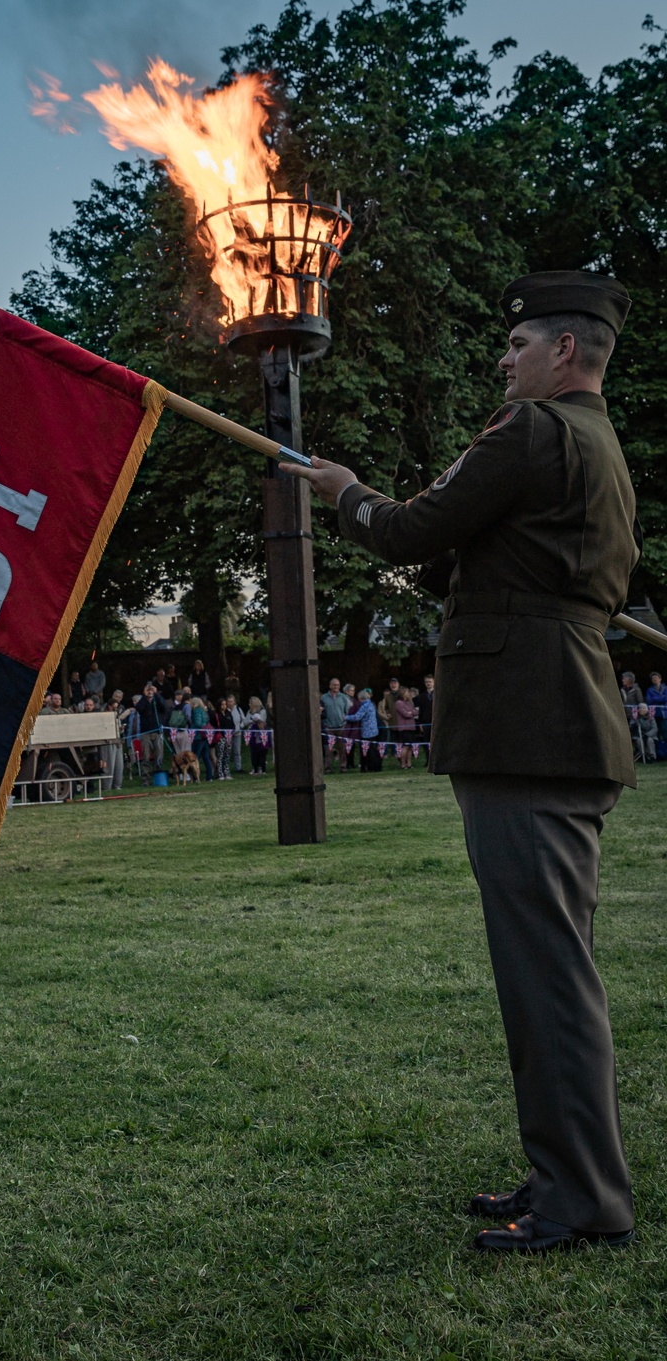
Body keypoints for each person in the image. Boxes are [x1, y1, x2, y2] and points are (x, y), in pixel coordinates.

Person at [282, 270, 639, 1254]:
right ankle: (562, 1174)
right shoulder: (594, 447)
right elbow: (472, 555)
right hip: (553, 723)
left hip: (531, 728)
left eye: (517, 342)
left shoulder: (533, 432)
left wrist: (343, 493)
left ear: (562, 352)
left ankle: (583, 1201)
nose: (502, 356)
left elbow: (410, 530)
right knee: (544, 971)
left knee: (547, 977)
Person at [134, 682, 169, 784]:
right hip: (145, 733)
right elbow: (139, 708)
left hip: (158, 732)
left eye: (151, 690)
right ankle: (145, 780)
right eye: (148, 690)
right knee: (145, 756)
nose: (150, 692)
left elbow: (164, 706)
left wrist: (156, 694)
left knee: (159, 755)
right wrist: (144, 697)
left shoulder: (157, 701)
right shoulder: (143, 702)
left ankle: (157, 777)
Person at [320, 677, 350, 774]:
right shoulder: (324, 697)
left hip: (341, 726)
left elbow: (347, 711)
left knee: (342, 748)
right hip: (328, 727)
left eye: (337, 685)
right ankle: (328, 768)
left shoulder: (343, 697)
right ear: (330, 686)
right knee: (328, 750)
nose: (336, 687)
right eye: (334, 685)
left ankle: (343, 767)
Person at [355, 687, 381, 772]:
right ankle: (369, 767)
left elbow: (358, 717)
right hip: (369, 731)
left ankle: (369, 767)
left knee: (368, 750)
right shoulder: (368, 704)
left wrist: (346, 717)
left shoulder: (366, 706)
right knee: (368, 750)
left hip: (368, 732)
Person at [395, 686, 419, 769]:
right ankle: (403, 764)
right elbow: (405, 714)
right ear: (402, 693)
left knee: (410, 746)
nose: (409, 693)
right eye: (407, 692)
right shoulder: (398, 703)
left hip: (411, 727)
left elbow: (416, 712)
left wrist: (411, 712)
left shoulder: (409, 703)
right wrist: (411, 713)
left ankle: (409, 763)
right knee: (406, 746)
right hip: (404, 728)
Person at [415, 674, 434, 765]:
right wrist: (420, 724)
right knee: (426, 743)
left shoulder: (438, 694)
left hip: (435, 723)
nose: (428, 684)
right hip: (425, 723)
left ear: (433, 682)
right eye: (426, 682)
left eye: (430, 682)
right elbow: (420, 711)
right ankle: (428, 761)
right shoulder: (421, 697)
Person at [645, 672, 667, 744]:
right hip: (654, 713)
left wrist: (655, 698)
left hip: (664, 713)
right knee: (656, 731)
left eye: (656, 678)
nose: (654, 679)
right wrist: (661, 698)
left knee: (664, 730)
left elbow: (666, 699)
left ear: (660, 679)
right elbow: (649, 701)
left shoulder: (665, 689)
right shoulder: (649, 690)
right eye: (653, 678)